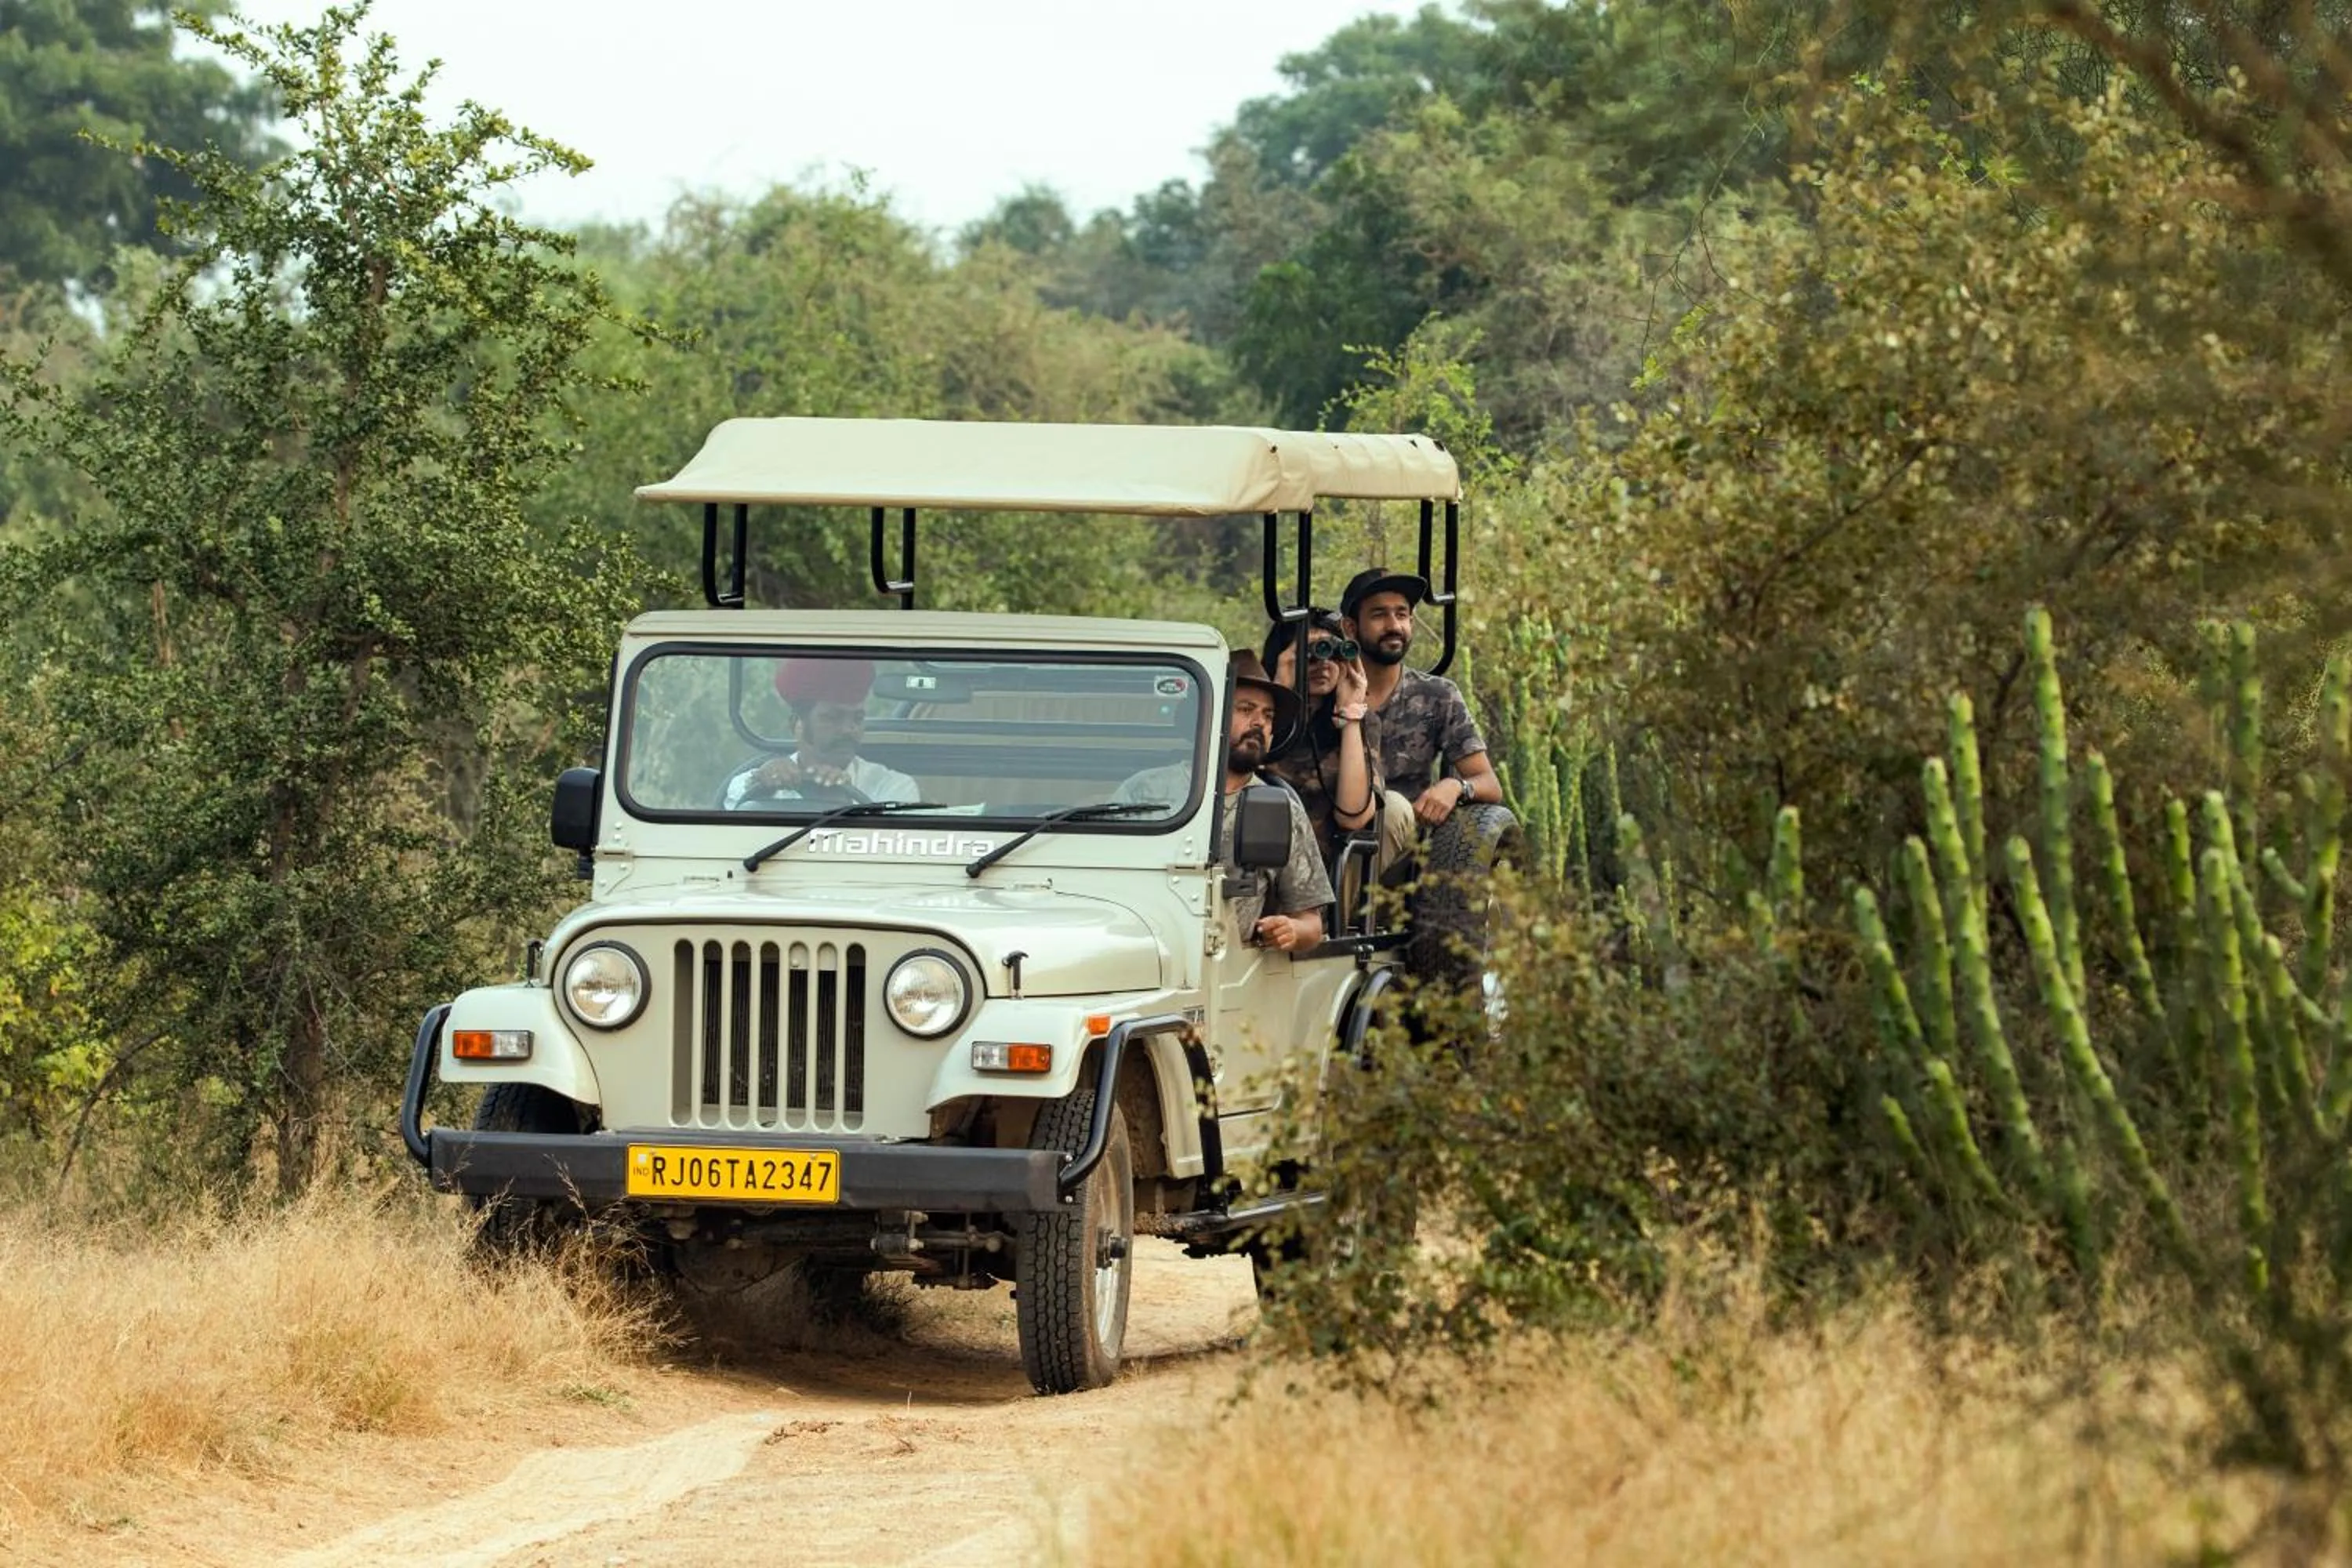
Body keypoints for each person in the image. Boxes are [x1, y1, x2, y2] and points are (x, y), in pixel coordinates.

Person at [1117, 652, 1331, 953]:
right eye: (1246, 709)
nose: (1259, 723)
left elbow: (1312, 924)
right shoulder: (1144, 790)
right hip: (1141, 953)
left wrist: (1290, 930)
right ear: (1211, 714)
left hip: (1231, 973)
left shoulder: (1282, 810)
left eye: (1268, 716)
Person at [1261, 610, 1414, 889]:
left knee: (1394, 806)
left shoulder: (1362, 723)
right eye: (1310, 653)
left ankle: (1324, 920)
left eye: (1334, 653)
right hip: (1261, 862)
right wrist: (1280, 690)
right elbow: (1241, 779)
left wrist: (1350, 718)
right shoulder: (1253, 715)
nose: (1323, 664)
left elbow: (1352, 816)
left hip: (1327, 876)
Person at [1339, 567, 1501, 828]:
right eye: (1379, 615)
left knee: (1393, 808)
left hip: (1404, 846)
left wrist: (1456, 786)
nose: (1394, 626)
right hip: (1327, 840)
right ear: (1351, 627)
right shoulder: (1326, 690)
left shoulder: (1438, 696)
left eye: (1401, 614)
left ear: (1411, 622)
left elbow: (1489, 783)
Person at [722, 656, 920, 808]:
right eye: (832, 718)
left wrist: (838, 803)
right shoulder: (756, 783)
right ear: (796, 724)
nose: (848, 729)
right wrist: (764, 788)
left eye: (857, 719)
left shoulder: (892, 787)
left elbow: (889, 855)